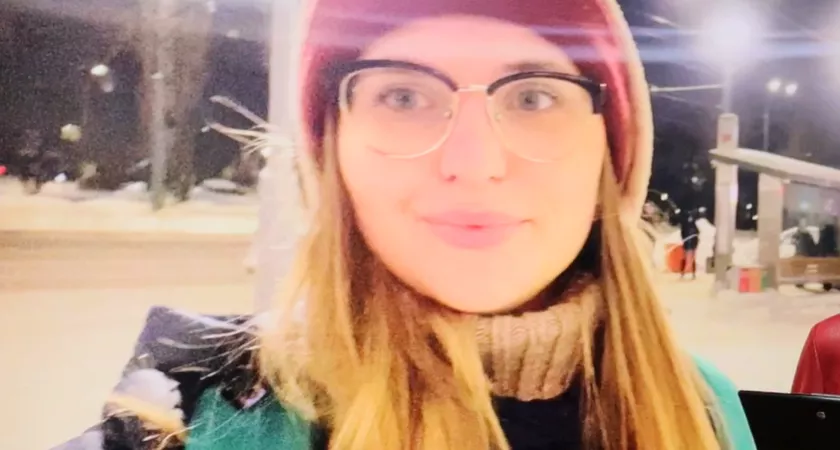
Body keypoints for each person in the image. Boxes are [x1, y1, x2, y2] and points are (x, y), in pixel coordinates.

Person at [55, 0, 757, 449]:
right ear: (334, 153)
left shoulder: (705, 410)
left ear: (610, 155)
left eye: (534, 98)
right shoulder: (193, 417)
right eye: (403, 96)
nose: (474, 163)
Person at [680, 211, 700, 280]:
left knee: (692, 258)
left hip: (692, 243)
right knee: (686, 258)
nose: (690, 218)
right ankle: (683, 273)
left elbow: (697, 233)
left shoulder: (693, 224)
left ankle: (692, 273)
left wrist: (695, 241)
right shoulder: (685, 225)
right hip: (688, 243)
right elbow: (683, 234)